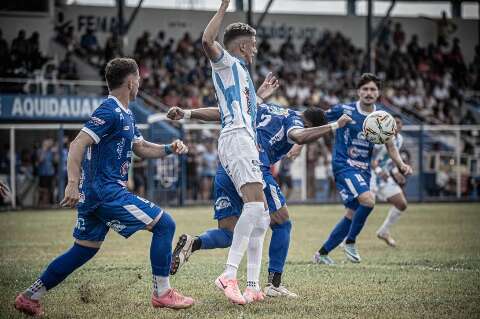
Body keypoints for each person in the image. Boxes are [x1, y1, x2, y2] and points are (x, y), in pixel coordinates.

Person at [14, 58, 194, 317]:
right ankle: (163, 294)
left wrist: (169, 148)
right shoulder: (109, 110)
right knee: (165, 225)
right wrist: (72, 184)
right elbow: (77, 144)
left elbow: (141, 148)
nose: (140, 83)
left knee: (83, 250)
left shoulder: (126, 113)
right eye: (139, 79)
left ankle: (30, 297)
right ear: (131, 82)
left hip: (98, 195)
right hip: (105, 192)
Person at [166, 96, 352, 298]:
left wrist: (187, 113)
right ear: (311, 125)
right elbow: (299, 135)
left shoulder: (268, 107)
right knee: (281, 223)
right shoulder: (296, 122)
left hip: (226, 167)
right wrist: (335, 125)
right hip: (255, 168)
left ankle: (194, 243)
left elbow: (223, 112)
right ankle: (269, 283)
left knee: (228, 233)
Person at [201, 0, 266, 304]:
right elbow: (207, 41)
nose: (255, 50)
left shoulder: (242, 76)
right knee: (254, 208)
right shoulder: (226, 62)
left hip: (242, 139)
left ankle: (253, 284)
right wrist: (225, 6)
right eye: (253, 45)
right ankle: (228, 273)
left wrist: (188, 114)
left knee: (262, 215)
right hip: (237, 139)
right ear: (242, 47)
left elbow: (224, 110)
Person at [313, 73, 412, 265]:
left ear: (378, 93)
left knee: (352, 213)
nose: (368, 92)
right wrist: (299, 142)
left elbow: (391, 146)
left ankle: (321, 254)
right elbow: (320, 119)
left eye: (373, 89)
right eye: (365, 89)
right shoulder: (345, 109)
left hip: (364, 170)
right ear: (358, 91)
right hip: (344, 165)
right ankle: (350, 241)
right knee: (368, 201)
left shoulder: (383, 118)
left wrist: (401, 165)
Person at [371, 115, 409, 247]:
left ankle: (384, 231)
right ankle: (345, 238)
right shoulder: (380, 137)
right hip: (371, 176)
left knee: (401, 204)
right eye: (395, 123)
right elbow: (370, 158)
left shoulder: (399, 139)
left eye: (399, 123)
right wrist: (378, 171)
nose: (397, 125)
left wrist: (396, 172)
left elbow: (390, 159)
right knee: (362, 207)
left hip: (385, 176)